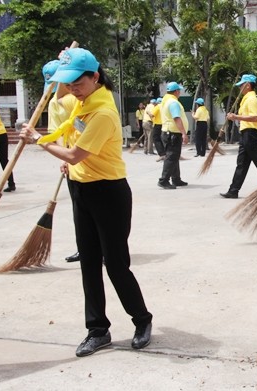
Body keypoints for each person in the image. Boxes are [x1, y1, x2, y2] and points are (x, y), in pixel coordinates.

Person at [20, 48, 152, 356]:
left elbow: (76, 153)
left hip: (109, 193)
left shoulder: (103, 112)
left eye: (77, 83)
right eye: (68, 84)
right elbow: (69, 134)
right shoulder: (84, 102)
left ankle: (142, 320)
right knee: (89, 263)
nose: (71, 90)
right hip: (81, 189)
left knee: (116, 264)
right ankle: (97, 329)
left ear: (95, 77)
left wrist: (39, 141)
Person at [44, 59, 81, 264]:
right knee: (79, 208)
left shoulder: (81, 100)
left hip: (89, 156)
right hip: (72, 160)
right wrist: (63, 154)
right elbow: (56, 131)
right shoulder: (55, 103)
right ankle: (84, 246)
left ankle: (103, 247)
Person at [220, 74, 257, 199]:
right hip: (246, 134)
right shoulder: (248, 99)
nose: (240, 88)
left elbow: (255, 118)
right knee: (242, 164)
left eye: (241, 85)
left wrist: (235, 117)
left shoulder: (251, 99)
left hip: (250, 134)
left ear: (248, 85)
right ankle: (233, 190)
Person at [157, 82, 190, 189]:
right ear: (176, 91)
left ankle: (176, 179)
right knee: (171, 157)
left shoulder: (165, 101)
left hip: (168, 132)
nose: (179, 92)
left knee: (174, 156)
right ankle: (164, 180)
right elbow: (176, 118)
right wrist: (184, 133)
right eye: (179, 91)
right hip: (173, 133)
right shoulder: (173, 102)